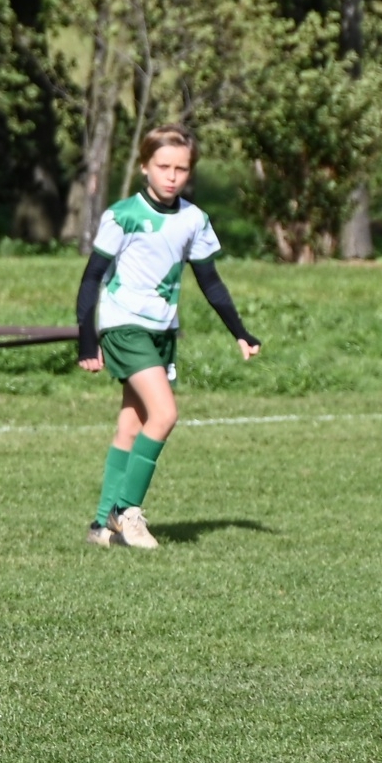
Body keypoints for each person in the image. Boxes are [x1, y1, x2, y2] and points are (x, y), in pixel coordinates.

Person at [78, 123, 261, 549]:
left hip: (162, 332)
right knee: (164, 414)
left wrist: (239, 331)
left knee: (132, 424)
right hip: (125, 326)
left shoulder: (194, 219)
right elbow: (91, 279)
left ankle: (101, 526)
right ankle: (127, 512)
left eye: (181, 169)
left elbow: (210, 282)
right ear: (145, 166)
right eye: (163, 167)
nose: (172, 176)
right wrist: (87, 338)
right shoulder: (123, 215)